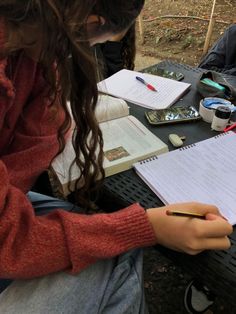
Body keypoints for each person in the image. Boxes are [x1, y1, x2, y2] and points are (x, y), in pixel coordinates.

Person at [0, 1, 232, 313]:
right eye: (94, 44)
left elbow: (15, 184)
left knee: (97, 229)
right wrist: (145, 227)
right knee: (117, 250)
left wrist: (45, 103)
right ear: (86, 25)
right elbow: (7, 237)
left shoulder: (29, 49)